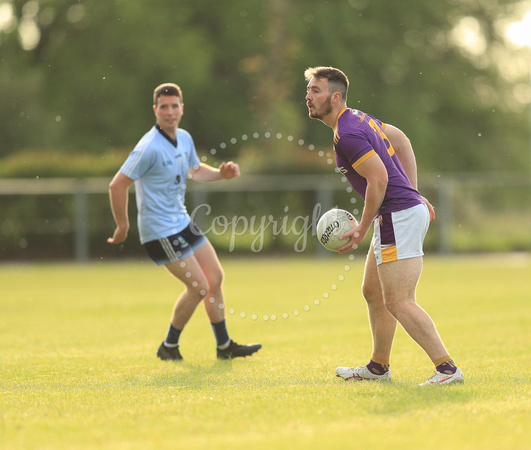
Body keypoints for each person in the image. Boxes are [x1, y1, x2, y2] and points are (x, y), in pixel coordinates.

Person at [304, 67, 463, 385]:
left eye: (316, 91)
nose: (308, 96)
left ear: (335, 97)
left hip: (396, 217)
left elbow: (379, 178)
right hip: (397, 213)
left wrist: (363, 226)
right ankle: (378, 368)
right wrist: (413, 192)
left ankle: (447, 369)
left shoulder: (347, 133)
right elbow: (400, 139)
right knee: (373, 292)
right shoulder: (356, 119)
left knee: (399, 300)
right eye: (308, 90)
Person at [107, 83, 261, 361]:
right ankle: (169, 346)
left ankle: (224, 346)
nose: (169, 112)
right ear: (155, 110)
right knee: (199, 286)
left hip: (181, 222)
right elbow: (117, 186)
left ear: (181, 108)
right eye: (163, 107)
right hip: (159, 231)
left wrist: (222, 175)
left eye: (174, 106)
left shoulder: (185, 138)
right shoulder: (148, 147)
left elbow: (196, 171)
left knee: (215, 278)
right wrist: (122, 226)